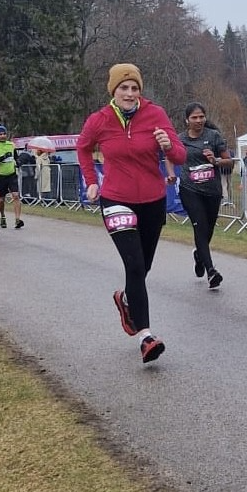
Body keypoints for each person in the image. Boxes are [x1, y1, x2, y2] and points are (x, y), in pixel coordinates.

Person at [77, 62, 185, 364]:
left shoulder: (156, 114)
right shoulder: (99, 120)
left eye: (134, 88)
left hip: (152, 199)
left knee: (144, 265)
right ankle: (146, 336)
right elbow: (83, 148)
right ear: (113, 90)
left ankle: (126, 299)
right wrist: (91, 182)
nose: (130, 93)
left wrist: (167, 146)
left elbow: (179, 155)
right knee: (135, 266)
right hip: (115, 199)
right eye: (124, 88)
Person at [178, 102, 232, 289]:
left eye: (201, 116)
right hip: (189, 190)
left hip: (212, 191)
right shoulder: (181, 139)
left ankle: (199, 256)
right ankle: (211, 271)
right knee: (200, 228)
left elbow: (229, 163)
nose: (199, 120)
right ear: (187, 120)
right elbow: (170, 157)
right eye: (194, 117)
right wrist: (170, 174)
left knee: (207, 230)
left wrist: (216, 160)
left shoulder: (214, 136)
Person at [0, 124, 24, 228]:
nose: (3, 136)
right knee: (1, 199)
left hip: (11, 174)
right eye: (0, 134)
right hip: (0, 176)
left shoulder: (11, 145)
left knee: (15, 195)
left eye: (4, 134)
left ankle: (18, 219)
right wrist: (3, 158)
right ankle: (3, 216)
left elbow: (16, 157)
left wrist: (18, 162)